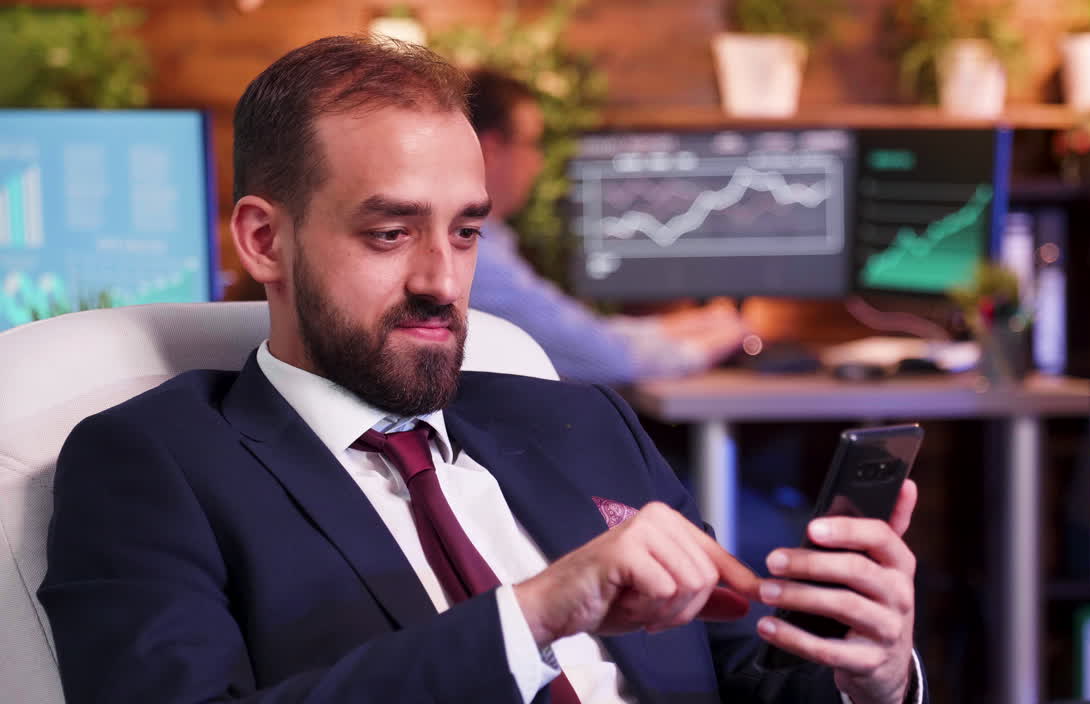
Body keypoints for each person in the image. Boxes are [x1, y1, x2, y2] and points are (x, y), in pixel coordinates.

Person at [39, 36, 926, 704]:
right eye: (389, 233)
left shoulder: (583, 426)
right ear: (266, 241)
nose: (441, 282)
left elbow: (744, 681)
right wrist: (531, 617)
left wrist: (869, 676)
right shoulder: (151, 463)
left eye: (465, 232)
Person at [466, 69, 747, 384]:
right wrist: (714, 344)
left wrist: (688, 327)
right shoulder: (475, 255)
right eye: (532, 144)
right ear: (490, 150)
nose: (539, 162)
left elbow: (584, 334)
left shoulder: (491, 241)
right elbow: (606, 359)